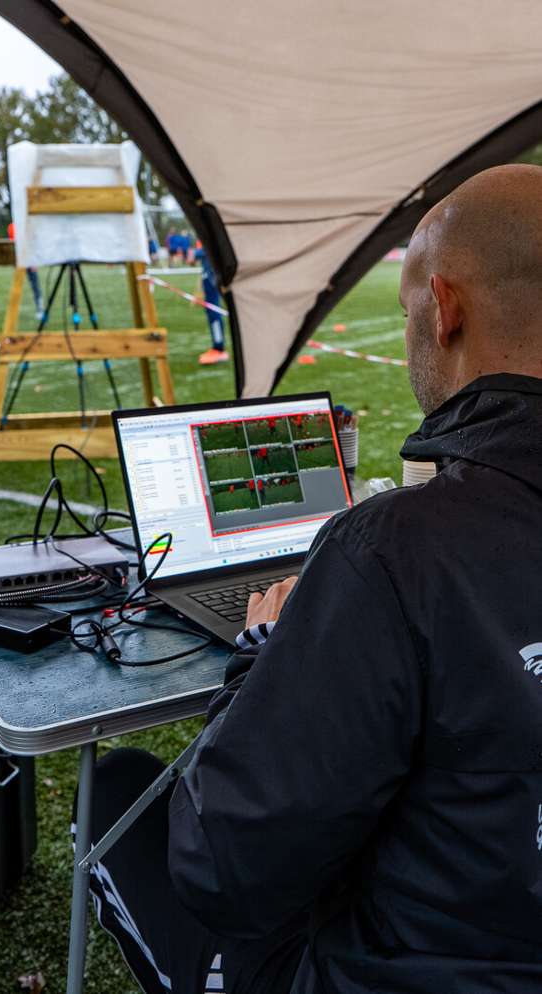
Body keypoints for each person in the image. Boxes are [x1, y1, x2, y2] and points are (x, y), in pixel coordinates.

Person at [78, 163, 542, 993]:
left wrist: (264, 648)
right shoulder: (404, 547)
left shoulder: (395, 549)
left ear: (444, 310)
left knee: (117, 787)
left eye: (407, 314)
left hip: (395, 970)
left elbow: (222, 868)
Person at [196, 247, 229, 364]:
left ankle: (218, 348)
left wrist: (196, 253)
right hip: (209, 269)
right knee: (211, 310)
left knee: (214, 311)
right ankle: (217, 346)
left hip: (213, 270)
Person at [7, 220, 43, 321]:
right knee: (16, 287)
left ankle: (40, 308)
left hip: (30, 260)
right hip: (19, 261)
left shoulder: (29, 226)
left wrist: (34, 261)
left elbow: (33, 243)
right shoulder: (11, 226)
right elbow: (14, 245)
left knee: (35, 286)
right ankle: (13, 312)